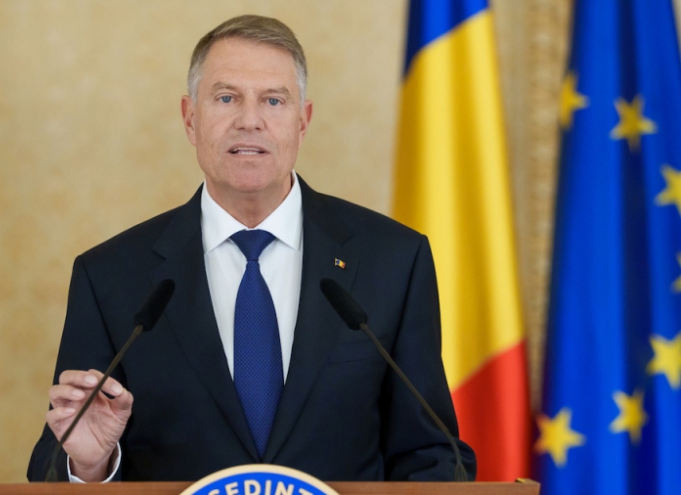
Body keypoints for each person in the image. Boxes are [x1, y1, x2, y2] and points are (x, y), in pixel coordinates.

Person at [27, 14, 476, 483]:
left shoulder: (393, 262)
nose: (249, 121)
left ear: (303, 122)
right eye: (226, 98)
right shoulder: (111, 277)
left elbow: (432, 453)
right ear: (190, 118)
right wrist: (91, 464)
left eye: (273, 100)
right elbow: (53, 462)